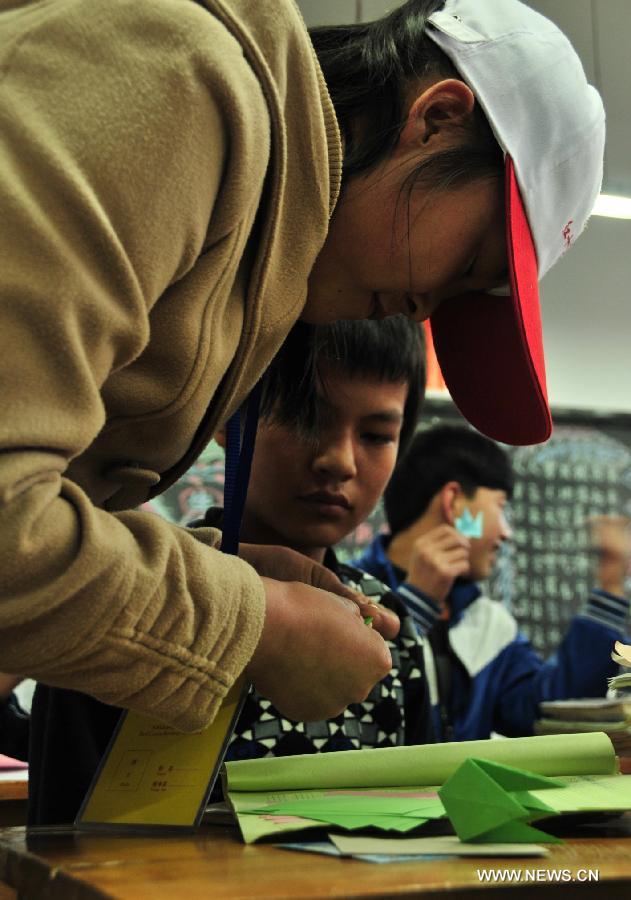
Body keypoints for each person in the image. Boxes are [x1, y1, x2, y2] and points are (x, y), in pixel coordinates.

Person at [0, 0, 604, 825]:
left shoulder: (244, 256)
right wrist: (252, 623)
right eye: (466, 265)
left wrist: (227, 580)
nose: (426, 310)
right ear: (435, 120)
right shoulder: (185, 82)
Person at [201, 316, 433, 763]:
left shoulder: (389, 623)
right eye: (305, 417)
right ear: (228, 417)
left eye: (376, 436)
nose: (340, 460)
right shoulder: (143, 588)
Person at [353, 425, 631, 742]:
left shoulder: (486, 621)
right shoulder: (346, 594)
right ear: (454, 503)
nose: (506, 532)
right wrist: (415, 605)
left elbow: (542, 711)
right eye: (500, 508)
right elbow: (345, 707)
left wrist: (610, 582)